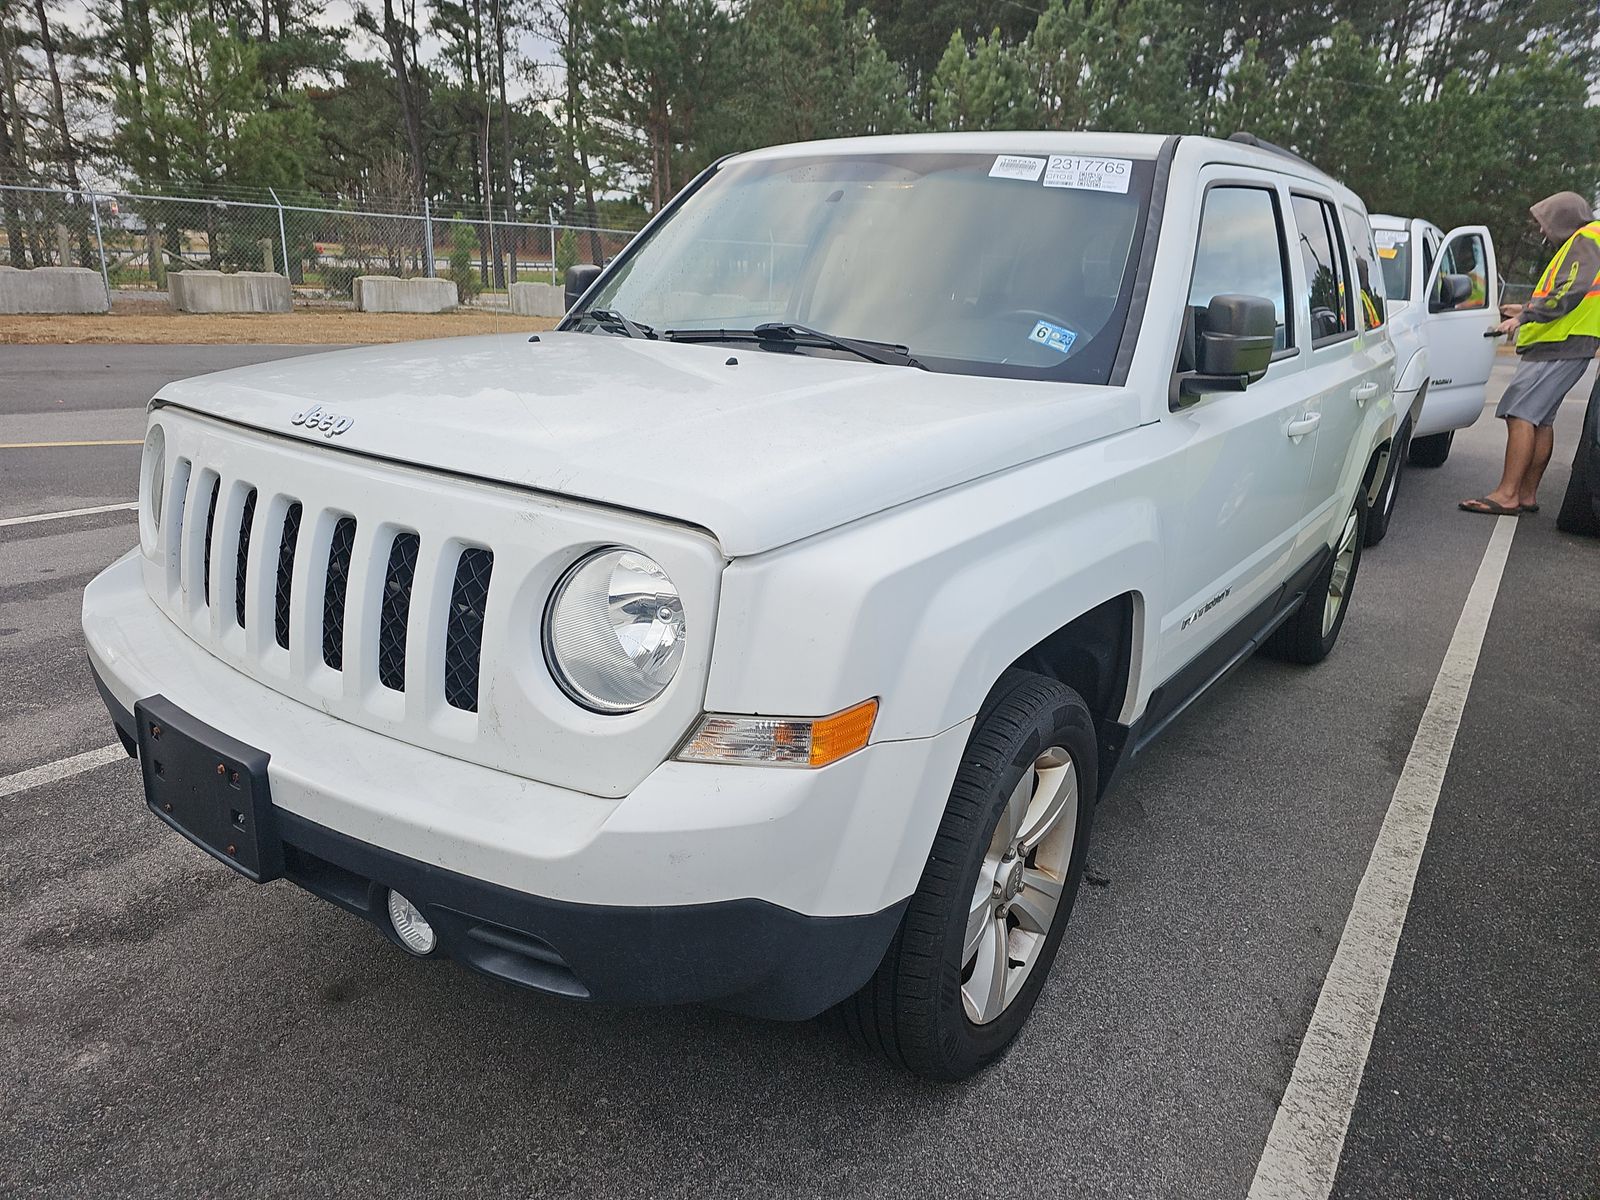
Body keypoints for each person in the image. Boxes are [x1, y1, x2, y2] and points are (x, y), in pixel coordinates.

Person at [1459, 192, 1600, 516]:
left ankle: (1507, 493)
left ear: (1563, 217)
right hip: (1569, 340)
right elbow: (1571, 292)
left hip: (1559, 343)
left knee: (1519, 413)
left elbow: (1570, 291)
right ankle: (1525, 494)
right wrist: (1524, 307)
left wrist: (1523, 317)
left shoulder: (1585, 239)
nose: (1541, 231)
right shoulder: (1587, 240)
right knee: (1541, 420)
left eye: (1544, 223)